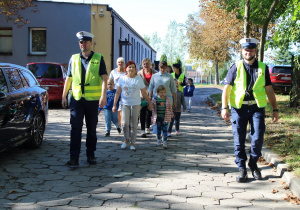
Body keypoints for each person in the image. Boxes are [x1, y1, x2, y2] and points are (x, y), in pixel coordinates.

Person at [221, 38, 279, 182]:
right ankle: (242, 169)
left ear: (255, 51)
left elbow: (269, 90)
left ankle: (253, 164)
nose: (248, 52)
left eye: (251, 49)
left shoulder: (262, 67)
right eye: (246, 50)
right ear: (242, 51)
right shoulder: (235, 67)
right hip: (239, 108)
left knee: (258, 137)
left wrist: (275, 109)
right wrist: (224, 108)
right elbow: (226, 89)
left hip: (257, 107)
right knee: (239, 139)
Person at [62, 31, 108, 167]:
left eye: (86, 42)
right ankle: (74, 158)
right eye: (81, 42)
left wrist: (103, 96)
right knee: (75, 128)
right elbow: (69, 78)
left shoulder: (99, 58)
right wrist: (64, 96)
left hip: (93, 100)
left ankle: (90, 155)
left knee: (91, 129)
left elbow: (104, 79)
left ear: (91, 43)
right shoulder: (74, 58)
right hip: (77, 99)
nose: (83, 44)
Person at [112, 61, 153, 151]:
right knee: (125, 123)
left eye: (133, 67)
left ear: (135, 69)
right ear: (126, 69)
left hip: (136, 104)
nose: (131, 69)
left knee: (134, 124)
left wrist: (149, 103)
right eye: (129, 67)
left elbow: (144, 93)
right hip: (125, 104)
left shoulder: (138, 79)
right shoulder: (122, 79)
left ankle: (132, 143)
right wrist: (114, 105)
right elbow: (118, 92)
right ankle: (126, 139)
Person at [137, 58, 157, 137]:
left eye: (147, 64)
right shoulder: (139, 73)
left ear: (150, 64)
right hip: (142, 94)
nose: (146, 65)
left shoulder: (155, 73)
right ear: (142, 65)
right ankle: (142, 129)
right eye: (144, 64)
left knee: (149, 111)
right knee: (142, 112)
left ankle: (147, 127)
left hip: (152, 94)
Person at [109, 57, 126, 127]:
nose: (120, 64)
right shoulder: (113, 72)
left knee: (122, 108)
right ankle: (118, 123)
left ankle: (122, 124)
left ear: (124, 63)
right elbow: (110, 81)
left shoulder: (126, 72)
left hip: (124, 92)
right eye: (119, 62)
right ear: (117, 63)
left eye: (122, 62)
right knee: (116, 107)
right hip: (115, 92)